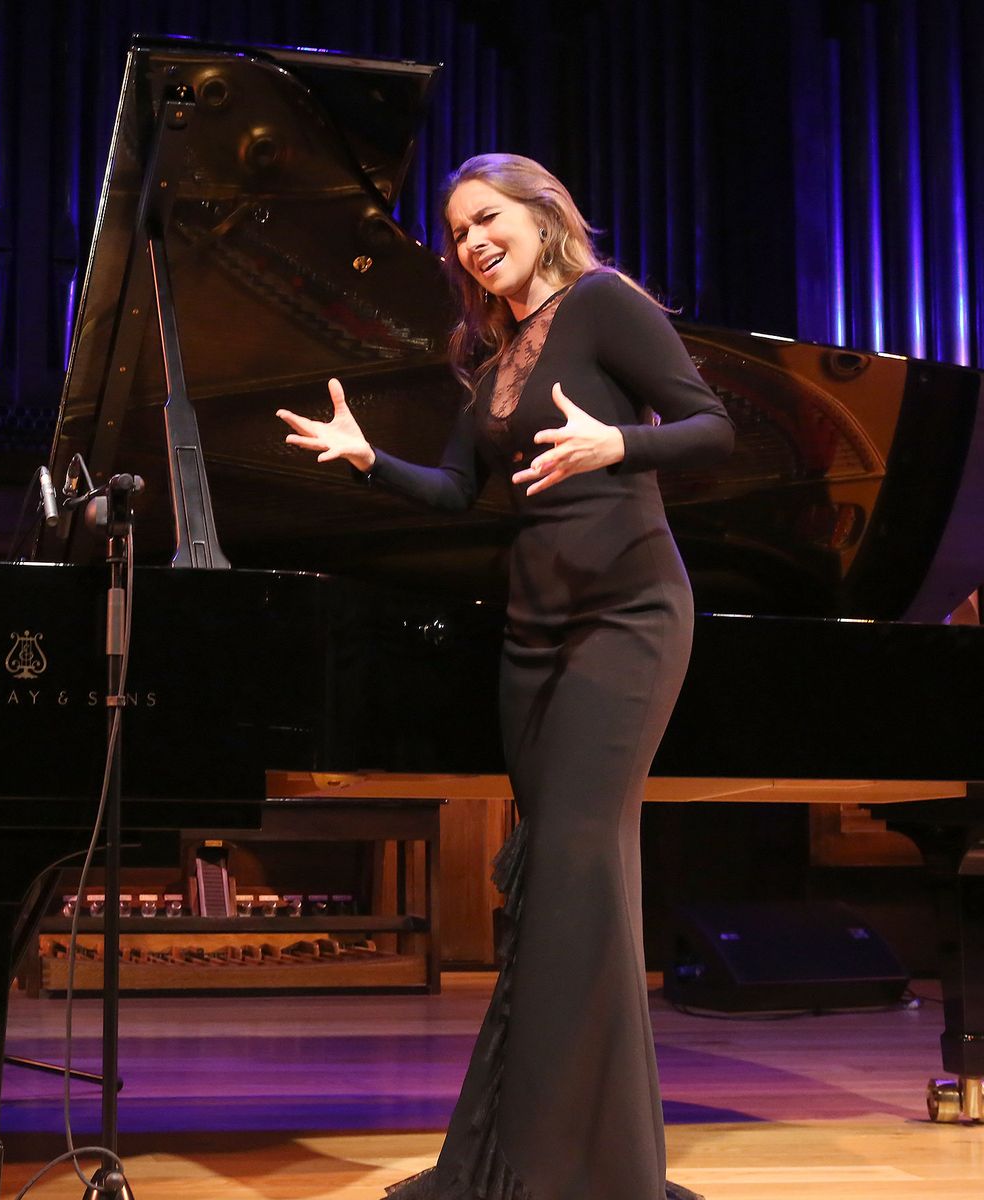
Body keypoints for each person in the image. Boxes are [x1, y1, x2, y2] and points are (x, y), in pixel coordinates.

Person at [278, 154, 733, 1200]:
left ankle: (592, 1170)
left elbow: (712, 426)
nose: (474, 242)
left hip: (625, 615)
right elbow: (454, 490)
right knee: (554, 884)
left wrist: (617, 444)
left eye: (488, 218)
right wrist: (366, 459)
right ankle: (520, 1154)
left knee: (579, 864)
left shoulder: (603, 304)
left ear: (540, 214)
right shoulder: (493, 362)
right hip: (532, 637)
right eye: (457, 232)